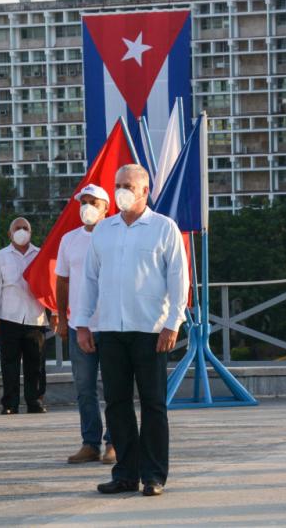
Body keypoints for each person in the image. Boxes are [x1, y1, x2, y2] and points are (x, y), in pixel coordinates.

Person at [74, 164, 189, 497]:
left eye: (127, 185)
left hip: (151, 330)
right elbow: (90, 280)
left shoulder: (164, 228)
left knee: (153, 404)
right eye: (117, 184)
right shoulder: (104, 230)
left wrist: (173, 323)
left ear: (144, 190)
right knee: (117, 404)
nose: (121, 190)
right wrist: (83, 323)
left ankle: (153, 476)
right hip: (110, 329)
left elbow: (177, 280)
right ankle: (125, 473)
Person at [55, 184, 115, 465]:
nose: (87, 207)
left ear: (106, 208)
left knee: (115, 386)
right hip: (81, 325)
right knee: (84, 388)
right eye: (83, 202)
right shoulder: (69, 240)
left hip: (114, 323)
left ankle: (114, 442)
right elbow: (62, 280)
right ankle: (90, 443)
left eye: (93, 202)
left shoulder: (115, 235)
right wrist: (62, 318)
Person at [0, 217, 49, 415]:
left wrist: (54, 312)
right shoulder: (0, 257)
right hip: (8, 317)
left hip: (35, 317)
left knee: (36, 363)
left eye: (25, 228)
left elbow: (49, 286)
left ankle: (35, 401)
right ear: (9, 234)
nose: (22, 231)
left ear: (31, 232)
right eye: (17, 228)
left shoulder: (40, 255)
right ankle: (10, 403)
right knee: (9, 363)